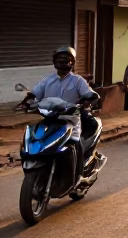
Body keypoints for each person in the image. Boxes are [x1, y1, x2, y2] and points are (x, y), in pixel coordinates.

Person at [23, 46, 98, 176]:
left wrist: (87, 100)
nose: (62, 62)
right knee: (37, 138)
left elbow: (89, 93)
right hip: (50, 118)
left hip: (71, 120)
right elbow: (36, 93)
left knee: (76, 143)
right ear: (54, 62)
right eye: (59, 59)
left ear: (72, 62)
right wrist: (27, 101)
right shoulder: (48, 80)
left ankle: (78, 174)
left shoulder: (78, 80)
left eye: (66, 60)